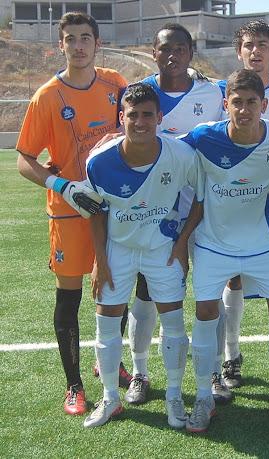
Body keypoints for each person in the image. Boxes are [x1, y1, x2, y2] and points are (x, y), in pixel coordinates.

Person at [174, 69, 269, 433]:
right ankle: (202, 396)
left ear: (264, 104)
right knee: (204, 313)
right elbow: (163, 148)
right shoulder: (203, 137)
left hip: (266, 246)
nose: (244, 110)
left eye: (251, 103)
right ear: (224, 104)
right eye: (236, 102)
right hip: (214, 247)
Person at [15, 11, 128, 416]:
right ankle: (75, 386)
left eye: (85, 38)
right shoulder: (46, 97)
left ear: (97, 43)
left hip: (114, 206)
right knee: (70, 296)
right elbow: (25, 158)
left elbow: (139, 121)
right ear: (60, 45)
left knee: (115, 287)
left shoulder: (116, 83)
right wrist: (61, 185)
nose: (78, 45)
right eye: (71, 39)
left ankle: (110, 364)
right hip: (68, 211)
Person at [119, 22, 225, 407]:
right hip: (155, 211)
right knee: (146, 293)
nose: (173, 55)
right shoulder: (142, 95)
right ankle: (141, 372)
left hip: (205, 205)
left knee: (210, 289)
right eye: (165, 48)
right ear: (153, 52)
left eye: (180, 48)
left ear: (191, 52)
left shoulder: (213, 93)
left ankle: (212, 371)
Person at [83, 83, 195, 429]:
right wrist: (100, 261)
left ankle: (174, 398)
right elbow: (95, 212)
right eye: (133, 115)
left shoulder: (181, 155)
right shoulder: (99, 161)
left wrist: (182, 243)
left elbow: (201, 199)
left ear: (160, 117)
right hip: (119, 248)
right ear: (122, 118)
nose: (141, 121)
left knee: (174, 325)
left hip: (163, 248)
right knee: (105, 323)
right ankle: (109, 399)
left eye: (148, 114)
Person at [216, 20, 269, 396]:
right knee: (231, 277)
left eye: (262, 45)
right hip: (235, 202)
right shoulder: (223, 90)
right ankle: (231, 356)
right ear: (239, 52)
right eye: (248, 45)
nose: (255, 51)